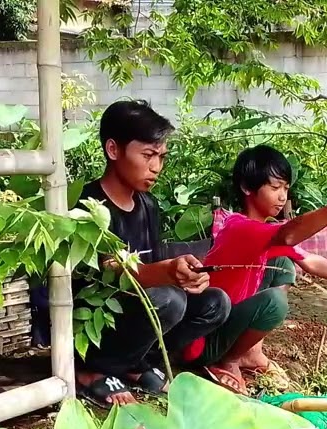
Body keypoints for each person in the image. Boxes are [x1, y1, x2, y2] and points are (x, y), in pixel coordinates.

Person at [188, 145, 327, 393]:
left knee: (282, 264)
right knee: (274, 302)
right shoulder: (239, 227)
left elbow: (311, 261)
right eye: (275, 188)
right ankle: (228, 361)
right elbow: (288, 235)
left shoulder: (262, 232)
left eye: (285, 188)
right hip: (204, 342)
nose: (282, 196)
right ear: (247, 188)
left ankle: (252, 353)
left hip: (228, 325)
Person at [76, 99, 230, 406]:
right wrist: (168, 272)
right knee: (169, 300)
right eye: (147, 155)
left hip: (137, 310)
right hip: (96, 321)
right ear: (113, 150)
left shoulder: (148, 205)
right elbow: (110, 272)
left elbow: (153, 264)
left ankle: (136, 364)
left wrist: (187, 276)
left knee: (215, 303)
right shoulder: (88, 205)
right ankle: (92, 371)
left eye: (161, 157)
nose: (156, 167)